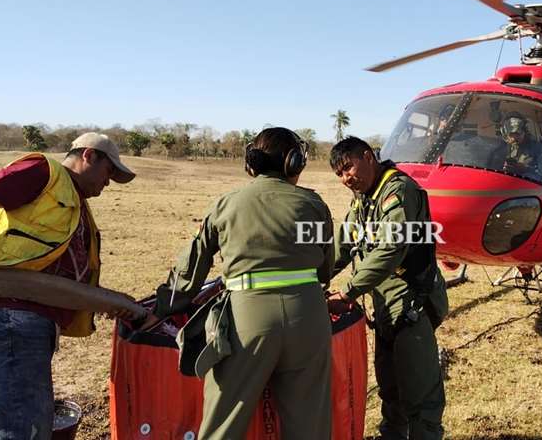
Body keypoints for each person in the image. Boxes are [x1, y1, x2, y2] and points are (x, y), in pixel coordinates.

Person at [142, 127, 334, 440]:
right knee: (309, 425)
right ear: (294, 162)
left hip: (248, 319)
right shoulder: (313, 205)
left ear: (250, 165)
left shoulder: (227, 204)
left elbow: (192, 268)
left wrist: (164, 306)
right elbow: (324, 268)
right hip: (308, 316)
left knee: (223, 422)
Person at [0, 132, 144, 439]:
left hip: (28, 321)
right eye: (109, 171)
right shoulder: (44, 172)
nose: (108, 182)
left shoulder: (76, 205)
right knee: (21, 425)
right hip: (11, 317)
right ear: (88, 155)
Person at [328, 136, 448, 440]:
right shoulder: (364, 198)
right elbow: (345, 244)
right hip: (384, 306)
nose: (346, 179)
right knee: (390, 389)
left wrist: (349, 292)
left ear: (368, 156)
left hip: (410, 303)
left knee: (421, 397)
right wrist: (315, 276)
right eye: (340, 174)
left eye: (348, 168)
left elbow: (390, 249)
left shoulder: (398, 191)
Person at [490, 112, 542, 180]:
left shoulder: (537, 148)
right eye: (511, 134)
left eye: (518, 134)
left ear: (525, 131)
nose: (514, 138)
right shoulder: (499, 150)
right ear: (504, 133)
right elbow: (490, 173)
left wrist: (525, 169)